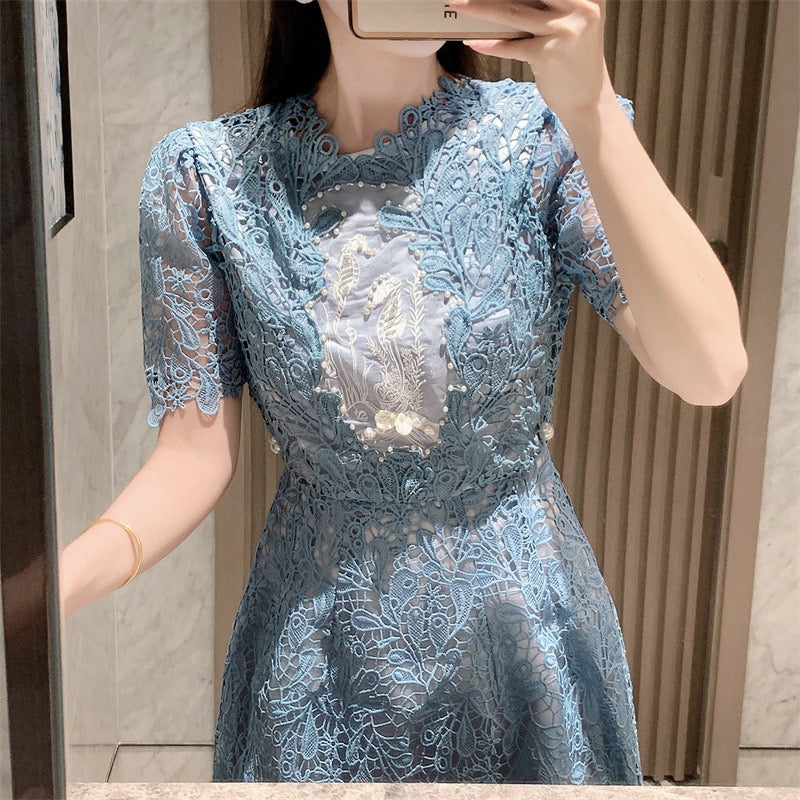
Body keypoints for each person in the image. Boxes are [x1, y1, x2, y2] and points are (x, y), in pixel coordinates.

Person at [60, 0, 748, 785]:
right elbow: (191, 456)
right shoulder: (208, 176)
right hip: (318, 654)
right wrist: (53, 589)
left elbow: (711, 369)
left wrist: (591, 111)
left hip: (522, 637)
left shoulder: (542, 139)